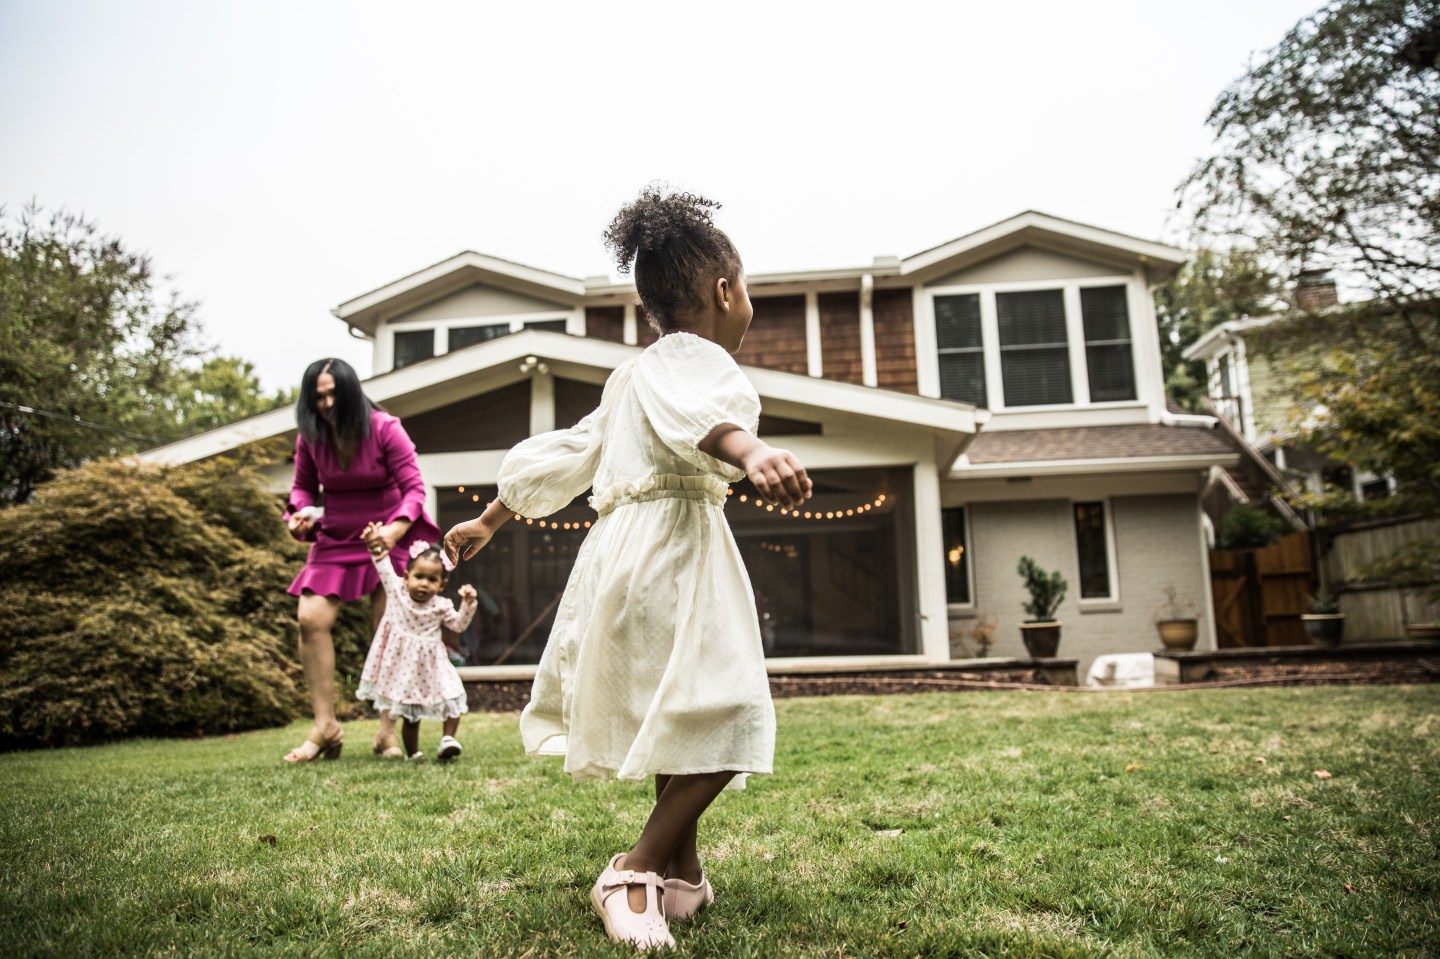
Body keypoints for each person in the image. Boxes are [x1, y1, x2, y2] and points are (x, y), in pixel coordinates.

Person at [444, 187, 812, 950]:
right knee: (733, 709)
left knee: (675, 712)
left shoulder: (632, 376)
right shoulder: (696, 361)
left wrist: (491, 517)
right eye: (745, 286)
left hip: (619, 556)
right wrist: (752, 450)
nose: (747, 300)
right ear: (724, 291)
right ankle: (634, 869)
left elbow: (570, 453)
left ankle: (682, 874)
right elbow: (702, 419)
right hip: (673, 547)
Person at [282, 357, 442, 763]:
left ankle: (386, 731)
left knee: (391, 629)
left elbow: (414, 489)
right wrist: (298, 514)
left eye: (334, 394)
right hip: (336, 537)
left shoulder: (385, 428)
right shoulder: (311, 437)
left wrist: (394, 530)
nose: (326, 404)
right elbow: (302, 489)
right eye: (318, 397)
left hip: (387, 536)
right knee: (310, 618)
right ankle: (326, 726)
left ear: (352, 393)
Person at [357, 526, 477, 760]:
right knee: (411, 714)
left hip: (434, 665)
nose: (424, 584)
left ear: (441, 585)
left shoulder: (441, 605)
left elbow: (458, 625)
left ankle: (448, 739)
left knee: (454, 696)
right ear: (406, 576)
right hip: (404, 668)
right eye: (419, 577)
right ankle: (414, 753)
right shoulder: (397, 592)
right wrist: (373, 542)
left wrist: (468, 604)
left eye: (432, 579)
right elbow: (382, 563)